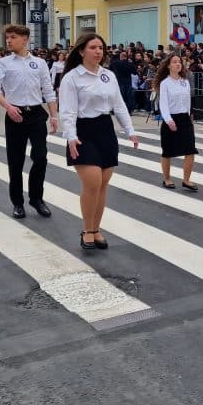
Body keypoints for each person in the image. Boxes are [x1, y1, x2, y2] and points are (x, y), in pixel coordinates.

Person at [58, 33, 139, 251]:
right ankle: (86, 229)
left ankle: (96, 228)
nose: (98, 52)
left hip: (105, 129)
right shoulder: (72, 78)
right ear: (82, 51)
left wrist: (130, 130)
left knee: (103, 184)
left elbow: (119, 105)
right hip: (83, 130)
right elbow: (67, 110)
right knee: (92, 182)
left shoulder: (108, 76)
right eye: (93, 47)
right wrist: (71, 136)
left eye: (101, 48)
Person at [0, 24, 59, 219]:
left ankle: (36, 198)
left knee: (41, 157)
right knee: (16, 160)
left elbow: (48, 90)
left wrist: (53, 115)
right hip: (15, 114)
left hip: (36, 114)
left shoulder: (40, 63)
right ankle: (17, 203)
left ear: (25, 39)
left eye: (13, 37)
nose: (9, 41)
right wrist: (9, 107)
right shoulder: (2, 63)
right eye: (7, 38)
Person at [154, 53, 199, 191]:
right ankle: (167, 179)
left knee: (190, 150)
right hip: (171, 119)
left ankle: (186, 180)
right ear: (168, 66)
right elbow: (163, 104)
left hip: (184, 118)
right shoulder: (165, 83)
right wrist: (168, 120)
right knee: (167, 151)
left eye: (179, 62)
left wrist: (189, 115)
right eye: (174, 62)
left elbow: (187, 101)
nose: (178, 64)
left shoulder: (184, 81)